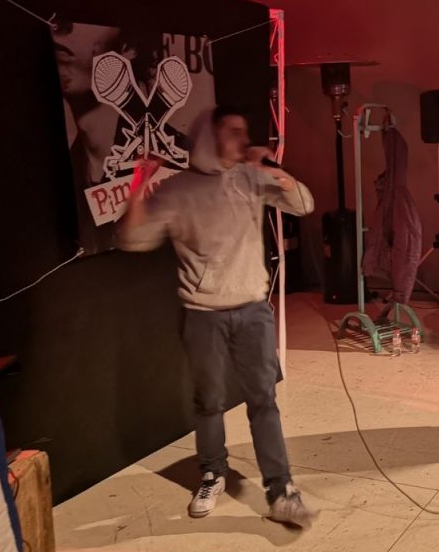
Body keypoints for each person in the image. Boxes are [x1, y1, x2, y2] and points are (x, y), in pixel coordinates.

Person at [117, 105, 317, 526]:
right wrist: (138, 183)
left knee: (263, 400)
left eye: (244, 131)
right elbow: (133, 239)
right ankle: (212, 473)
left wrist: (273, 170)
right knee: (209, 401)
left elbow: (303, 204)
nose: (242, 139)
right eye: (233, 132)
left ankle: (281, 489)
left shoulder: (251, 177)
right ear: (209, 136)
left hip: (252, 310)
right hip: (203, 313)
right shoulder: (178, 190)